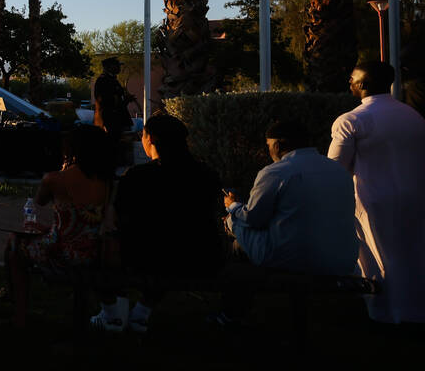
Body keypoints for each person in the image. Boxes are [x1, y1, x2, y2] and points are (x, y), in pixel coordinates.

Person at [218, 119, 358, 324]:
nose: (268, 151)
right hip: (342, 260)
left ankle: (232, 314)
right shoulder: (337, 170)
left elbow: (253, 219)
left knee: (236, 226)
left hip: (292, 258)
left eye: (268, 146)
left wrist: (232, 207)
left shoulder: (276, 171)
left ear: (278, 145)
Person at [94, 114, 222, 333]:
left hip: (147, 258)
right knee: (167, 242)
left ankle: (114, 314)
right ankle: (140, 314)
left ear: (150, 139)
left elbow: (116, 219)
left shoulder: (136, 177)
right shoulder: (207, 174)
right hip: (201, 257)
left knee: (107, 246)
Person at [330, 61, 425, 324]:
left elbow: (334, 167)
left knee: (378, 260)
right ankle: (415, 311)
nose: (349, 83)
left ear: (362, 84)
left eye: (351, 78)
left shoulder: (351, 120)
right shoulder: (412, 116)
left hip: (372, 200)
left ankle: (385, 313)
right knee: (413, 255)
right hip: (415, 195)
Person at [4, 125, 116, 327]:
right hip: (92, 252)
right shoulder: (106, 181)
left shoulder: (55, 179)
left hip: (62, 253)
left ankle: (18, 312)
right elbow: (84, 222)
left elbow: (39, 201)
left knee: (14, 244)